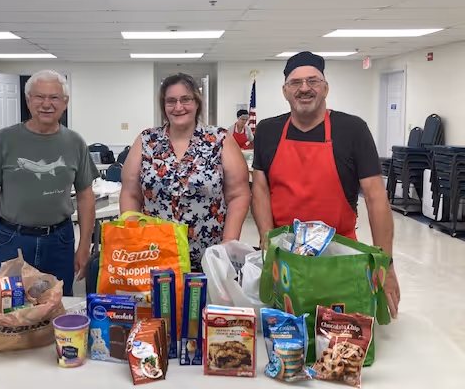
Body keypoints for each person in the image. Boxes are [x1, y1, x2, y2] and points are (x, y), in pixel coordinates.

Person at [251, 51, 400, 317]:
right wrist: (266, 241)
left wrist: (385, 264)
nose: (305, 88)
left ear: (326, 88)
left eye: (313, 81)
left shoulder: (352, 129)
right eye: (296, 83)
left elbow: (376, 197)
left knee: (340, 333)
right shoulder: (267, 130)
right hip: (285, 256)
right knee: (287, 334)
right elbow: (260, 189)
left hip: (341, 257)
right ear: (285, 91)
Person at [0, 69, 99, 296]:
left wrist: (84, 246)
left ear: (65, 103)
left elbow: (86, 197)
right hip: (12, 239)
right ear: (28, 101)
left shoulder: (75, 142)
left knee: (57, 303)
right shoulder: (4, 140)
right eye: (39, 96)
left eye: (54, 97)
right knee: (12, 306)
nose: (46, 104)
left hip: (60, 240)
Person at [120, 73, 251, 271]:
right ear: (164, 106)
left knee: (203, 302)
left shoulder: (219, 139)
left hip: (209, 256)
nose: (178, 107)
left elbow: (239, 194)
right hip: (154, 254)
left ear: (197, 103)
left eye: (186, 99)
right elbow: (130, 192)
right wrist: (133, 237)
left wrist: (228, 243)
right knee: (160, 302)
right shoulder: (147, 140)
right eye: (171, 101)